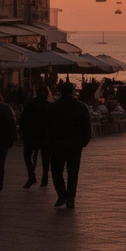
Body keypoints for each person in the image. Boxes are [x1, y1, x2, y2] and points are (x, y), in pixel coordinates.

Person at [45, 81, 91, 209]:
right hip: (75, 144)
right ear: (72, 91)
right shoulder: (81, 107)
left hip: (57, 144)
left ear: (60, 91)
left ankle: (62, 194)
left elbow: (46, 126)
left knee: (56, 171)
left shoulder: (53, 107)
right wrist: (84, 141)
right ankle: (70, 198)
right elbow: (87, 126)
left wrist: (48, 141)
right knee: (73, 172)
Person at [19, 85, 51, 188]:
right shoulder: (49, 105)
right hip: (45, 135)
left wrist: (22, 130)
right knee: (45, 157)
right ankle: (44, 178)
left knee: (27, 156)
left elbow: (23, 119)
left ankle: (31, 176)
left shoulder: (29, 103)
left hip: (31, 134)